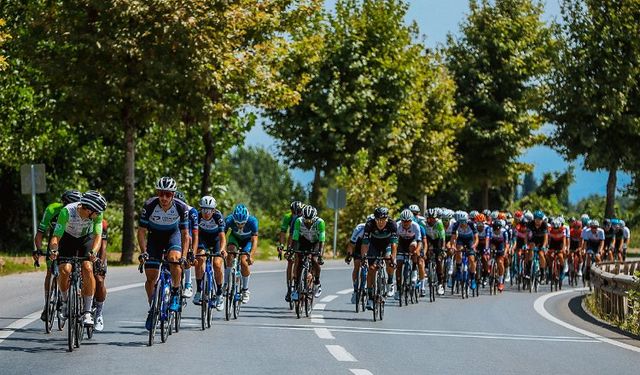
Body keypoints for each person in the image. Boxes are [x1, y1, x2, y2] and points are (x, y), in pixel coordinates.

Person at [137, 177, 190, 330]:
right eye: (161, 194)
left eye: (168, 194)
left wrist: (184, 256)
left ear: (173, 195)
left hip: (173, 235)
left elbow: (185, 234)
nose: (164, 198)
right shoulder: (149, 205)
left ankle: (174, 293)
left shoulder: (181, 207)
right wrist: (143, 252)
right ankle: (153, 308)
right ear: (157, 193)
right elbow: (141, 232)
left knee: (174, 258)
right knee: (151, 276)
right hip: (155, 237)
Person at [49, 191, 107, 326]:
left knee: (87, 267)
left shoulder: (97, 213)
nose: (99, 215)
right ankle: (64, 302)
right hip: (67, 239)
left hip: (86, 239)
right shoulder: (66, 212)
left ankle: (87, 312)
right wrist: (54, 250)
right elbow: (56, 236)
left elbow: (98, 236)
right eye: (97, 212)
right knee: (65, 269)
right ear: (89, 209)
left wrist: (94, 252)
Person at [33, 189, 83, 322]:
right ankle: (47, 303)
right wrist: (38, 249)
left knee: (77, 266)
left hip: (73, 240)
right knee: (50, 272)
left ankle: (77, 291)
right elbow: (40, 233)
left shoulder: (80, 212)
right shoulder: (52, 210)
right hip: (56, 239)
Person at [361, 207, 398, 310]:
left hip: (387, 245)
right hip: (374, 246)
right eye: (378, 220)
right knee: (371, 269)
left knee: (389, 261)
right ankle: (370, 297)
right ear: (375, 219)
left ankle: (390, 282)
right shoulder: (369, 225)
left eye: (383, 220)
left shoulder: (392, 224)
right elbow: (365, 243)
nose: (380, 222)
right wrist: (364, 257)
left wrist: (393, 258)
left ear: (387, 219)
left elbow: (394, 244)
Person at [193, 196, 226, 310]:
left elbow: (222, 237)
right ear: (201, 209)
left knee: (217, 264)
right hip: (202, 239)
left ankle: (219, 293)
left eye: (209, 210)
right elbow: (194, 235)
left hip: (216, 239)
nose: (206, 213)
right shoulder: (197, 216)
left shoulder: (218, 216)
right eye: (204, 210)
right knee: (199, 259)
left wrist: (222, 250)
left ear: (214, 210)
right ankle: (198, 290)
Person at [225, 204, 259, 304]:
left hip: (247, 241)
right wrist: (223, 250)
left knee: (244, 262)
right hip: (235, 238)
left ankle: (245, 290)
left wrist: (251, 255)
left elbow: (254, 241)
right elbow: (222, 235)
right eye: (237, 223)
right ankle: (226, 283)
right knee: (230, 254)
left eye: (242, 223)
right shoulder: (229, 220)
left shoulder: (253, 221)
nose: (240, 225)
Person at [291, 205, 326, 300]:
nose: (308, 223)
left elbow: (322, 240)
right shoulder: (299, 221)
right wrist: (292, 250)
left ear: (314, 218)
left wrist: (320, 255)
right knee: (299, 260)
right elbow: (295, 237)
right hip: (304, 240)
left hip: (316, 242)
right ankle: (297, 287)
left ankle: (317, 282)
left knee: (314, 260)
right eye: (306, 220)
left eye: (310, 221)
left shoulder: (320, 222)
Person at [279, 201, 304, 302]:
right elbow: (284, 233)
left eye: (298, 212)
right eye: (294, 212)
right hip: (294, 236)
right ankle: (289, 288)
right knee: (290, 261)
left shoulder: (305, 215)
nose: (296, 213)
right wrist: (283, 246)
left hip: (306, 237)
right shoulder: (288, 217)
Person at [175, 191, 199, 299]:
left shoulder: (191, 211)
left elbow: (194, 234)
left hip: (187, 232)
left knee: (188, 240)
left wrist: (192, 253)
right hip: (175, 232)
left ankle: (188, 284)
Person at [395, 209, 422, 300]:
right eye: (404, 221)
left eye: (408, 221)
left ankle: (414, 270)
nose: (406, 223)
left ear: (411, 220)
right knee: (398, 265)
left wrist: (417, 251)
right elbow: (394, 242)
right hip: (402, 242)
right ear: (401, 220)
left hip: (412, 241)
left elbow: (419, 242)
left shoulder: (415, 226)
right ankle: (398, 289)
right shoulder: (397, 225)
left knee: (413, 247)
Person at [345, 219, 368, 303]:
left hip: (371, 246)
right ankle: (355, 290)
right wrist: (349, 255)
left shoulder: (376, 229)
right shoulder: (359, 228)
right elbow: (352, 243)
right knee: (357, 265)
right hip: (359, 245)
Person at [93, 219, 109, 331]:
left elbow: (103, 246)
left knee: (99, 280)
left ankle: (98, 312)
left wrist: (101, 263)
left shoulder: (101, 223)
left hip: (97, 254)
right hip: (82, 252)